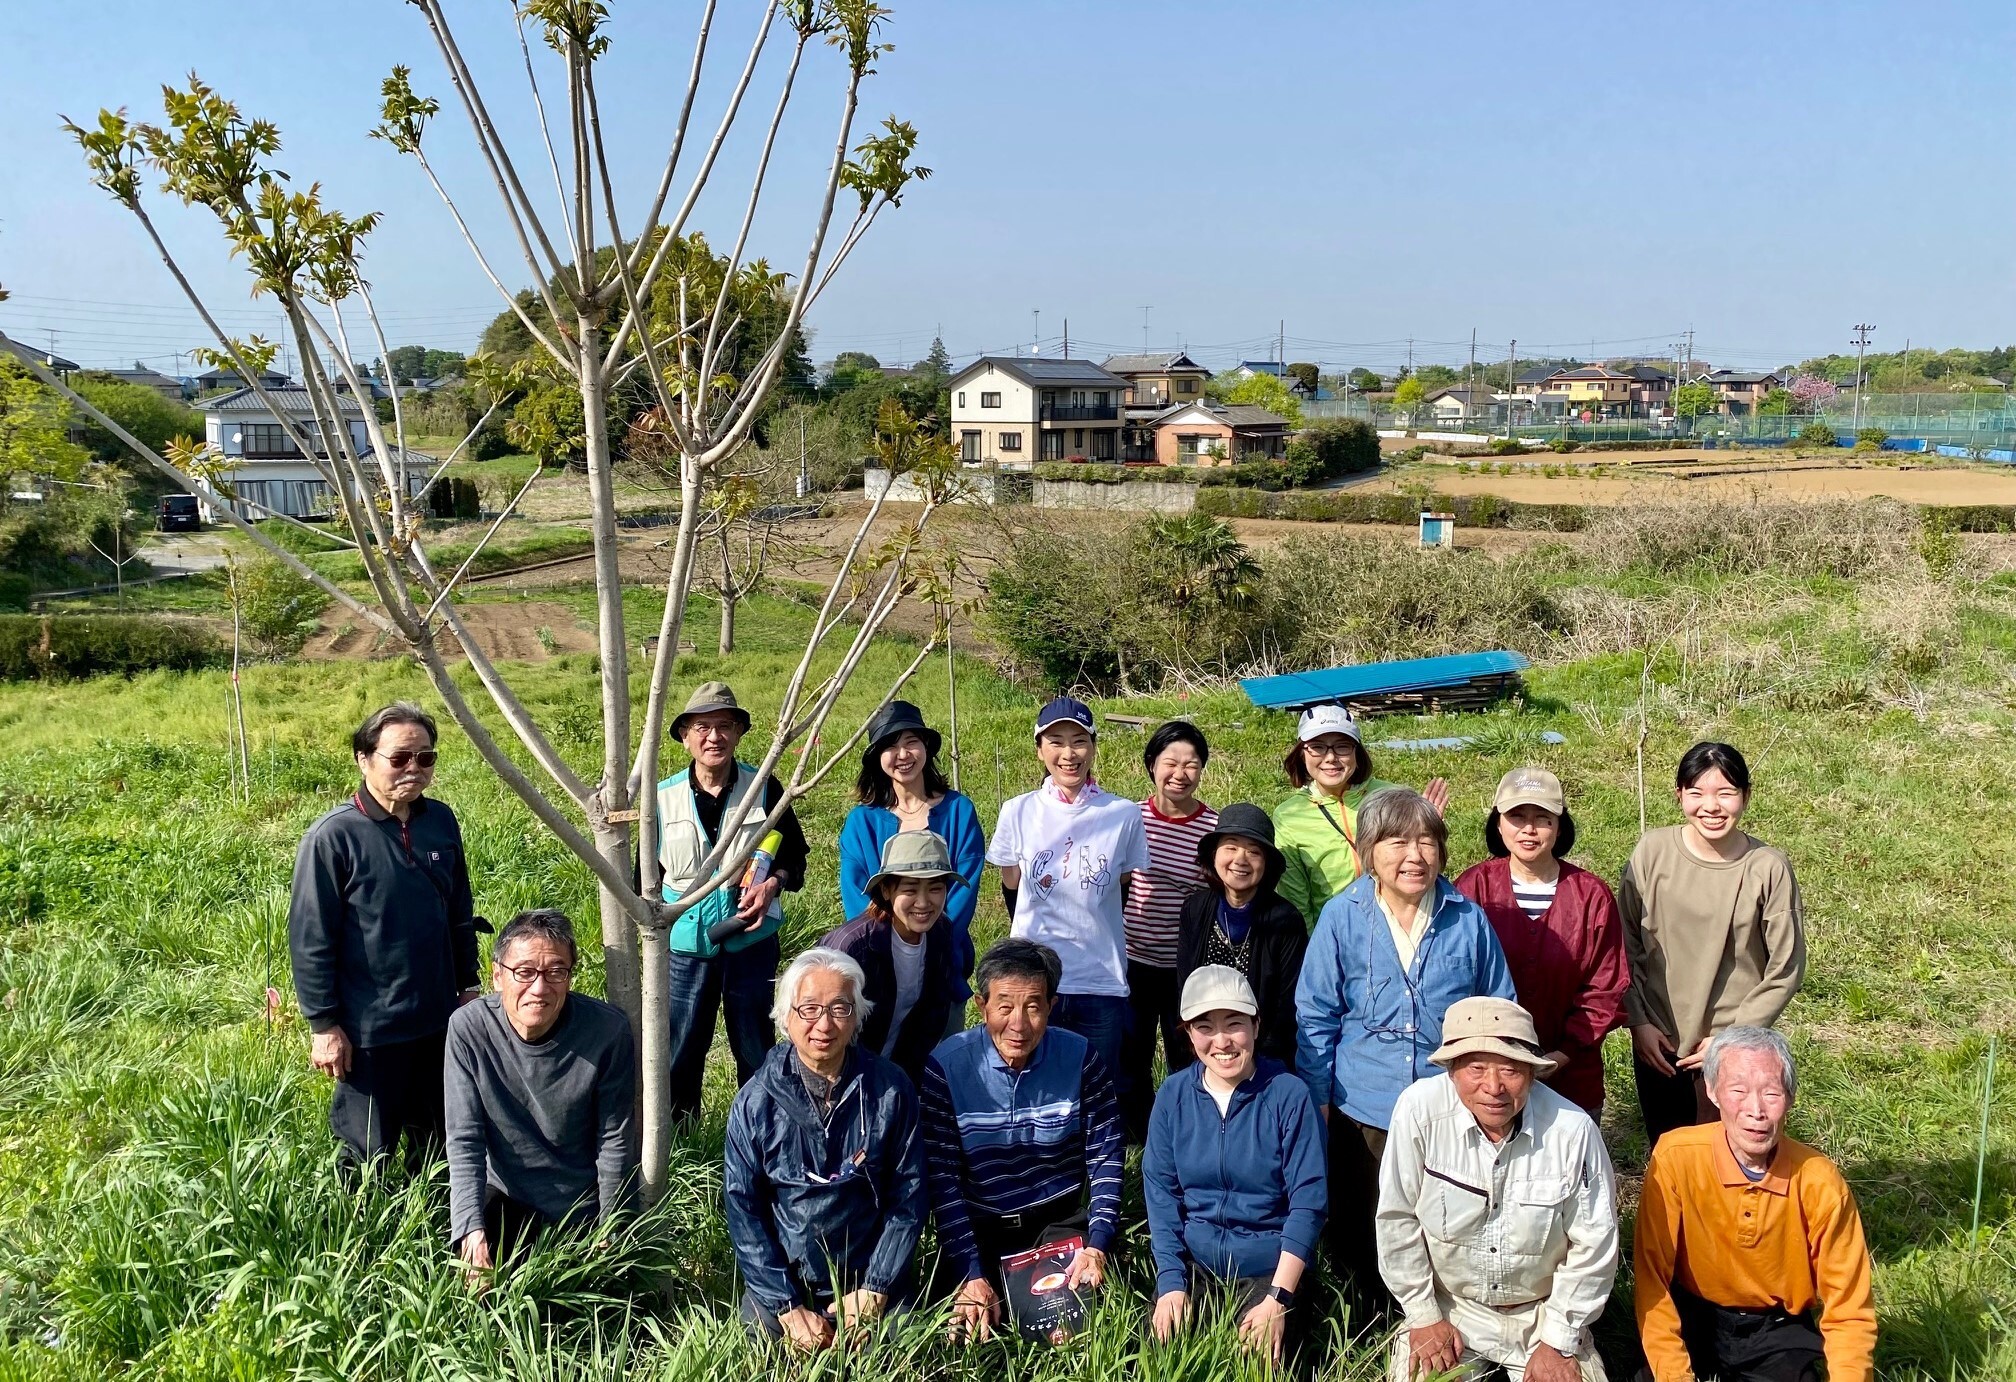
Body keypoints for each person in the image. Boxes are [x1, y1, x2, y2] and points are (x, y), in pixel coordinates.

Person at [1295, 786, 1516, 1315]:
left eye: (1426, 842)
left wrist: (1490, 1086)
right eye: (1396, 842)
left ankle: (1445, 1312)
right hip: (1364, 1101)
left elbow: (1498, 1005)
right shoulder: (1341, 916)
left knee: (1445, 1213)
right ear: (1370, 851)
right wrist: (1319, 1097)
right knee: (1365, 1214)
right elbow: (1316, 1015)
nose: (1413, 856)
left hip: (1449, 1101)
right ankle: (1371, 1317)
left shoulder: (1466, 918)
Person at [1377, 997, 1619, 1382]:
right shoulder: (1418, 1111)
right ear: (1452, 1070)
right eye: (1476, 1068)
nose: (1493, 1087)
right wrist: (1423, 1315)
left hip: (1543, 1313)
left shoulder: (1573, 1131)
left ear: (1533, 1073)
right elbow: (1396, 1218)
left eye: (1510, 1070)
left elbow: (1595, 1245)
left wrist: (1559, 1340)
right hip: (1451, 1305)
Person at [289, 701, 480, 1171]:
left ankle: (434, 1225)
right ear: (364, 758)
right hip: (369, 1027)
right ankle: (360, 1233)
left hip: (437, 1016)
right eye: (399, 758)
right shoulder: (333, 837)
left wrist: (468, 986)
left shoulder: (440, 821)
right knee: (365, 1148)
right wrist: (324, 1025)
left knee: (438, 1139)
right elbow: (311, 939)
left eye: (425, 757)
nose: (413, 768)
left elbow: (459, 909)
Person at [1634, 1027, 1876, 1382]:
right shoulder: (1675, 1157)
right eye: (1738, 1091)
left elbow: (1849, 1307)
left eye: (1771, 1093)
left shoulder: (1819, 1181)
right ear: (1713, 1093)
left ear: (1790, 1098)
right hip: (1693, 1311)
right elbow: (1651, 1276)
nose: (1756, 1110)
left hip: (1776, 1325)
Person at [918, 938, 1124, 1343]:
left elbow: (1107, 1158)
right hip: (980, 1226)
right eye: (1005, 1006)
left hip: (1057, 1222)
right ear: (982, 1006)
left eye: (1033, 1006)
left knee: (1075, 1334)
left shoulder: (1081, 1058)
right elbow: (943, 1181)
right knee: (959, 1338)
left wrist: (1098, 1244)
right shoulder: (946, 1066)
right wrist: (971, 1272)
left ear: (1051, 1005)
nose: (1019, 1023)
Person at [723, 948, 927, 1350]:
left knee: (902, 1350)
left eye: (839, 1008)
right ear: (786, 1017)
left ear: (857, 1016)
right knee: (761, 1348)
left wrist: (876, 1289)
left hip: (870, 1275)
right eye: (809, 1009)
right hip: (789, 1279)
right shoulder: (754, 1102)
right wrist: (787, 1306)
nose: (824, 1024)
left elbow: (910, 1196)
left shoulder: (890, 1089)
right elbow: (743, 1210)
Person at [1619, 742, 1805, 1148]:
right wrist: (1639, 1022)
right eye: (1697, 793)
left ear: (1746, 796)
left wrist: (1732, 1037)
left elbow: (1785, 967)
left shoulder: (1767, 868)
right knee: (1668, 1156)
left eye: (1726, 793)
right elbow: (1624, 940)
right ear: (1679, 795)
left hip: (1729, 1046)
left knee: (1729, 1158)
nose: (1712, 806)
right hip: (1659, 1041)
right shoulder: (1652, 852)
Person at [1144, 967, 1327, 1368]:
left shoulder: (1289, 1095)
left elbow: (1309, 1201)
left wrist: (1278, 1298)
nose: (1222, 1041)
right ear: (1188, 1034)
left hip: (1271, 1267)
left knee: (1260, 1361)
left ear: (1256, 1026)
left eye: (1234, 1024)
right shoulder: (1173, 1095)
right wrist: (1172, 1282)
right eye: (1204, 1026)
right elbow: (1161, 1194)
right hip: (1198, 1264)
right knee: (1161, 1357)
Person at [445, 909, 635, 1276]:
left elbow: (614, 1139)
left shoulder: (606, 1032)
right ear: (497, 975)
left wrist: (611, 1228)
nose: (539, 988)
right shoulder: (468, 1029)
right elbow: (464, 1136)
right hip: (505, 1194)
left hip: (579, 1203)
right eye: (525, 972)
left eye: (555, 972)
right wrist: (469, 1226)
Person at [652, 680, 810, 1121]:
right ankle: (681, 1135)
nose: (713, 737)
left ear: (739, 733)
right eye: (702, 727)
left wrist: (771, 885)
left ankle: (760, 1128)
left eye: (724, 726)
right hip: (685, 947)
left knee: (755, 1043)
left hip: (751, 941)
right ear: (685, 736)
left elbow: (795, 857)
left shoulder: (765, 787)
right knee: (681, 1045)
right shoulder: (661, 797)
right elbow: (644, 878)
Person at [985, 696, 1149, 1081]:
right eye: (1055, 741)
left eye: (1079, 741)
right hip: (1032, 980)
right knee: (1030, 1080)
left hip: (1101, 979)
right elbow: (1011, 881)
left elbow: (1122, 882)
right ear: (1040, 749)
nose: (1068, 753)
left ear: (1093, 747)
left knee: (1096, 1086)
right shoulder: (1018, 810)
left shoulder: (1123, 814)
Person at [1455, 768, 1629, 1116]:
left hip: (1571, 1076)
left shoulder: (1591, 895)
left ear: (1560, 826)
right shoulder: (1473, 889)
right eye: (1517, 816)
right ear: (1499, 824)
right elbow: (1456, 975)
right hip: (1488, 1078)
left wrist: (1560, 1056)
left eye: (1542, 818)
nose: (1529, 829)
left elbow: (1605, 988)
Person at [837, 699, 986, 1011]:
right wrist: (891, 947)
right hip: (878, 968)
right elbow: (856, 895)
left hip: (942, 965)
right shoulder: (862, 822)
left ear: (926, 749)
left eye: (911, 742)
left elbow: (964, 888)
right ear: (878, 757)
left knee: (938, 1054)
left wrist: (930, 943)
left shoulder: (958, 812)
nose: (903, 755)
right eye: (890, 746)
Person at [1118, 720, 1218, 1140]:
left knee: (1188, 1054)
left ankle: (1190, 1133)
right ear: (1151, 765)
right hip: (1131, 961)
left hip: (1186, 966)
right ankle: (1139, 1140)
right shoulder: (1128, 818)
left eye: (1191, 765)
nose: (1180, 773)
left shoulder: (1213, 828)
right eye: (1170, 762)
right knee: (1131, 1057)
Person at [1273, 704, 1449, 928]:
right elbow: (1295, 898)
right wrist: (1313, 950)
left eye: (1342, 747)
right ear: (1302, 753)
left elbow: (1423, 869)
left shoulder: (1392, 796)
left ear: (1357, 751)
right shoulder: (1289, 816)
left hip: (1399, 927)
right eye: (1317, 747)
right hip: (1336, 932)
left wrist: (1432, 833)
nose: (1330, 758)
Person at [822, 830, 967, 1084]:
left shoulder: (941, 931)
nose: (923, 902)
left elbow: (934, 1013)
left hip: (900, 1073)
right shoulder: (851, 948)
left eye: (935, 888)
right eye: (910, 889)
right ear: (887, 890)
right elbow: (824, 1029)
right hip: (842, 1075)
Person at [1174, 803, 1307, 1069]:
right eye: (1231, 847)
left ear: (1266, 864)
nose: (1240, 859)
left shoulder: (1285, 918)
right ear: (1214, 855)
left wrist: (1253, 1061)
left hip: (1265, 1055)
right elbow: (1185, 987)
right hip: (1205, 1051)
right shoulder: (1195, 908)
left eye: (1254, 852)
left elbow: (1287, 1004)